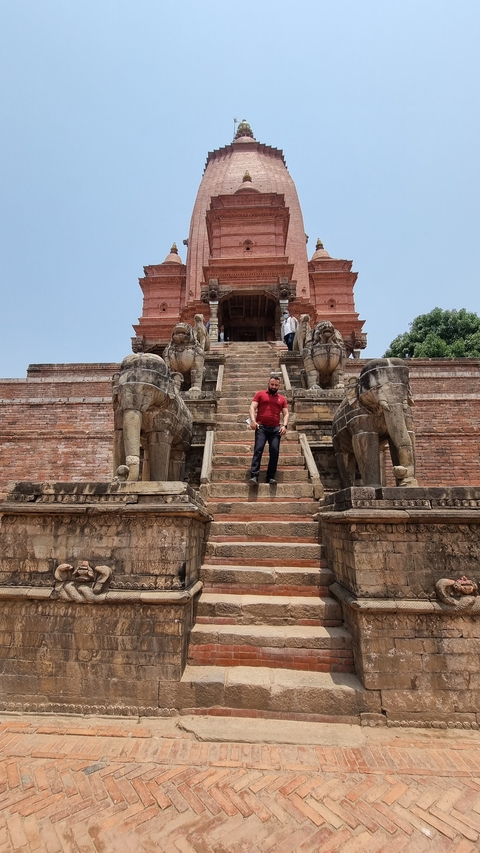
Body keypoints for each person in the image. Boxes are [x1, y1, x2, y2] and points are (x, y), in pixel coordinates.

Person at [249, 375, 288, 485]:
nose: (274, 386)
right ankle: (254, 475)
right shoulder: (260, 394)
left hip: (275, 429)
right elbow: (252, 407)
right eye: (272, 384)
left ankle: (270, 476)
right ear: (268, 384)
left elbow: (286, 414)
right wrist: (253, 421)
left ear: (279, 386)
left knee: (274, 451)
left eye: (276, 385)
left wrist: (284, 426)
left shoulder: (282, 399)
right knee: (258, 449)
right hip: (261, 427)